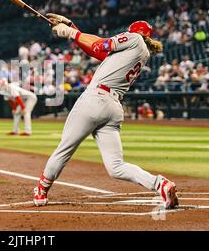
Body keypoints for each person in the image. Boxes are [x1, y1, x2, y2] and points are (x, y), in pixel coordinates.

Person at [33, 14, 179, 210]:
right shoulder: (141, 51)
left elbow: (99, 45)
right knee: (116, 167)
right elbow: (96, 51)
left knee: (64, 148)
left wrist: (71, 32)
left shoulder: (134, 39)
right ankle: (160, 184)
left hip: (95, 99)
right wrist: (72, 27)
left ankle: (41, 191)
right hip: (113, 107)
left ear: (134, 32)